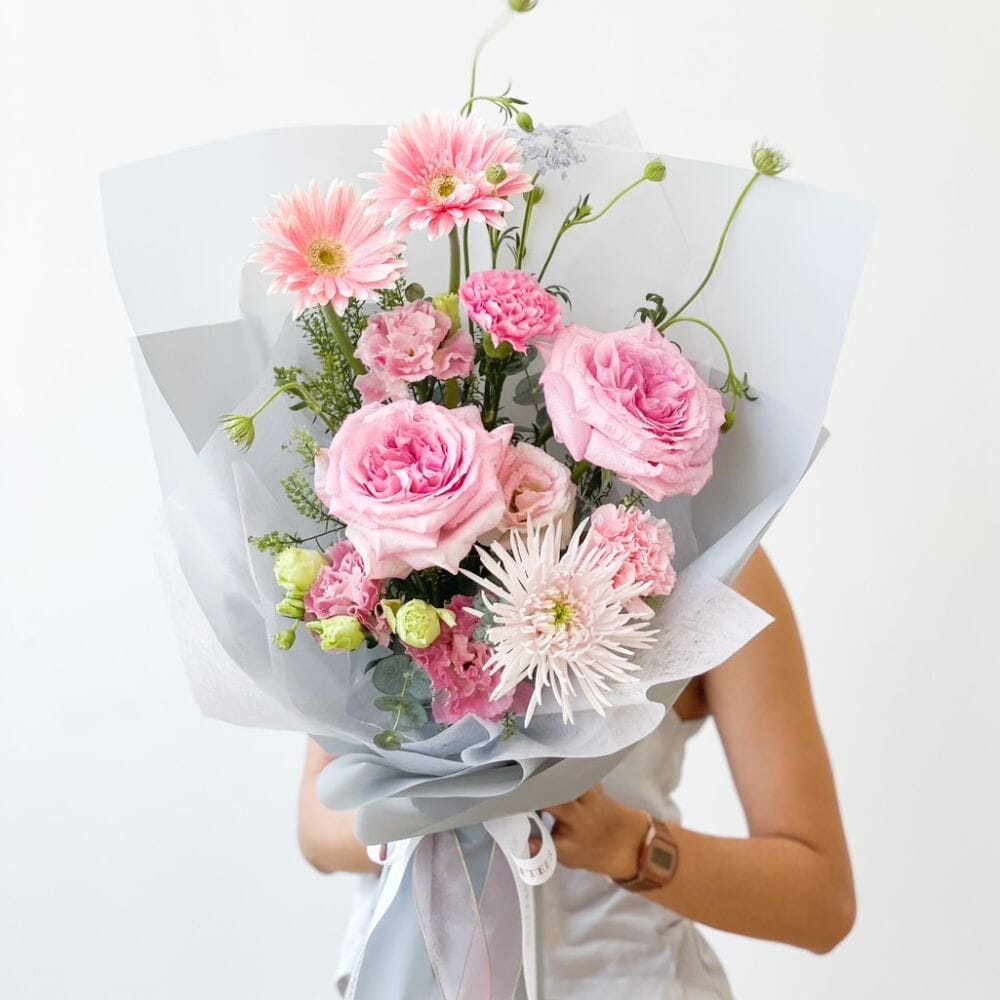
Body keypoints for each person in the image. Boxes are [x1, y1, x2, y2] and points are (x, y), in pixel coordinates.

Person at [298, 549, 855, 998]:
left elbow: (820, 902)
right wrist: (427, 820)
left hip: (628, 979)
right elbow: (318, 826)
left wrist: (627, 846)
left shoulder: (713, 556)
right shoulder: (375, 546)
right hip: (406, 980)